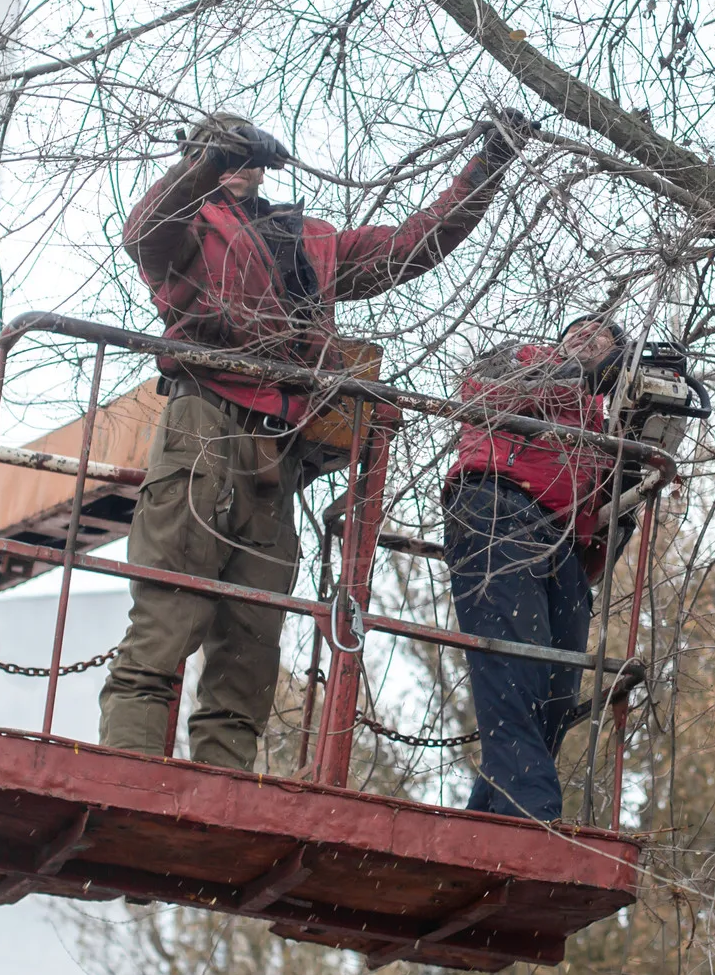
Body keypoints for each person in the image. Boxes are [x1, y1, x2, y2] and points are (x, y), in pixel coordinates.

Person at [99, 106, 533, 769]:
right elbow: (143, 231)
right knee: (168, 616)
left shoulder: (310, 240)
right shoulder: (185, 226)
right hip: (204, 427)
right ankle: (125, 769)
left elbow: (413, 244)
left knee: (251, 640)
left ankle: (222, 785)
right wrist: (207, 162)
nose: (237, 165)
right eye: (223, 152)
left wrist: (489, 163)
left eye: (245, 152)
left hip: (281, 453)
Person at [443, 315, 639, 821]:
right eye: (578, 329)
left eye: (602, 336)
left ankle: (488, 819)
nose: (586, 336)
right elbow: (480, 391)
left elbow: (610, 514)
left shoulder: (606, 423)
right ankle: (533, 814)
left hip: (565, 547)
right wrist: (581, 379)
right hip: (497, 508)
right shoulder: (526, 359)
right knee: (512, 668)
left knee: (557, 693)